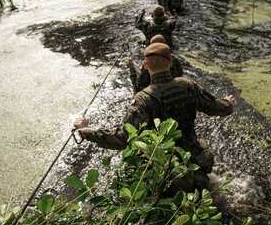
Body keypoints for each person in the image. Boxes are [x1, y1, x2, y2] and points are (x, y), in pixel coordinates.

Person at [74, 42, 236, 193]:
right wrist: (228, 103)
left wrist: (86, 131)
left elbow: (124, 138)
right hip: (195, 165)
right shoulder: (188, 86)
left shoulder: (142, 99)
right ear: (170, 63)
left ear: (145, 65)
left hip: (163, 175)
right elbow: (217, 107)